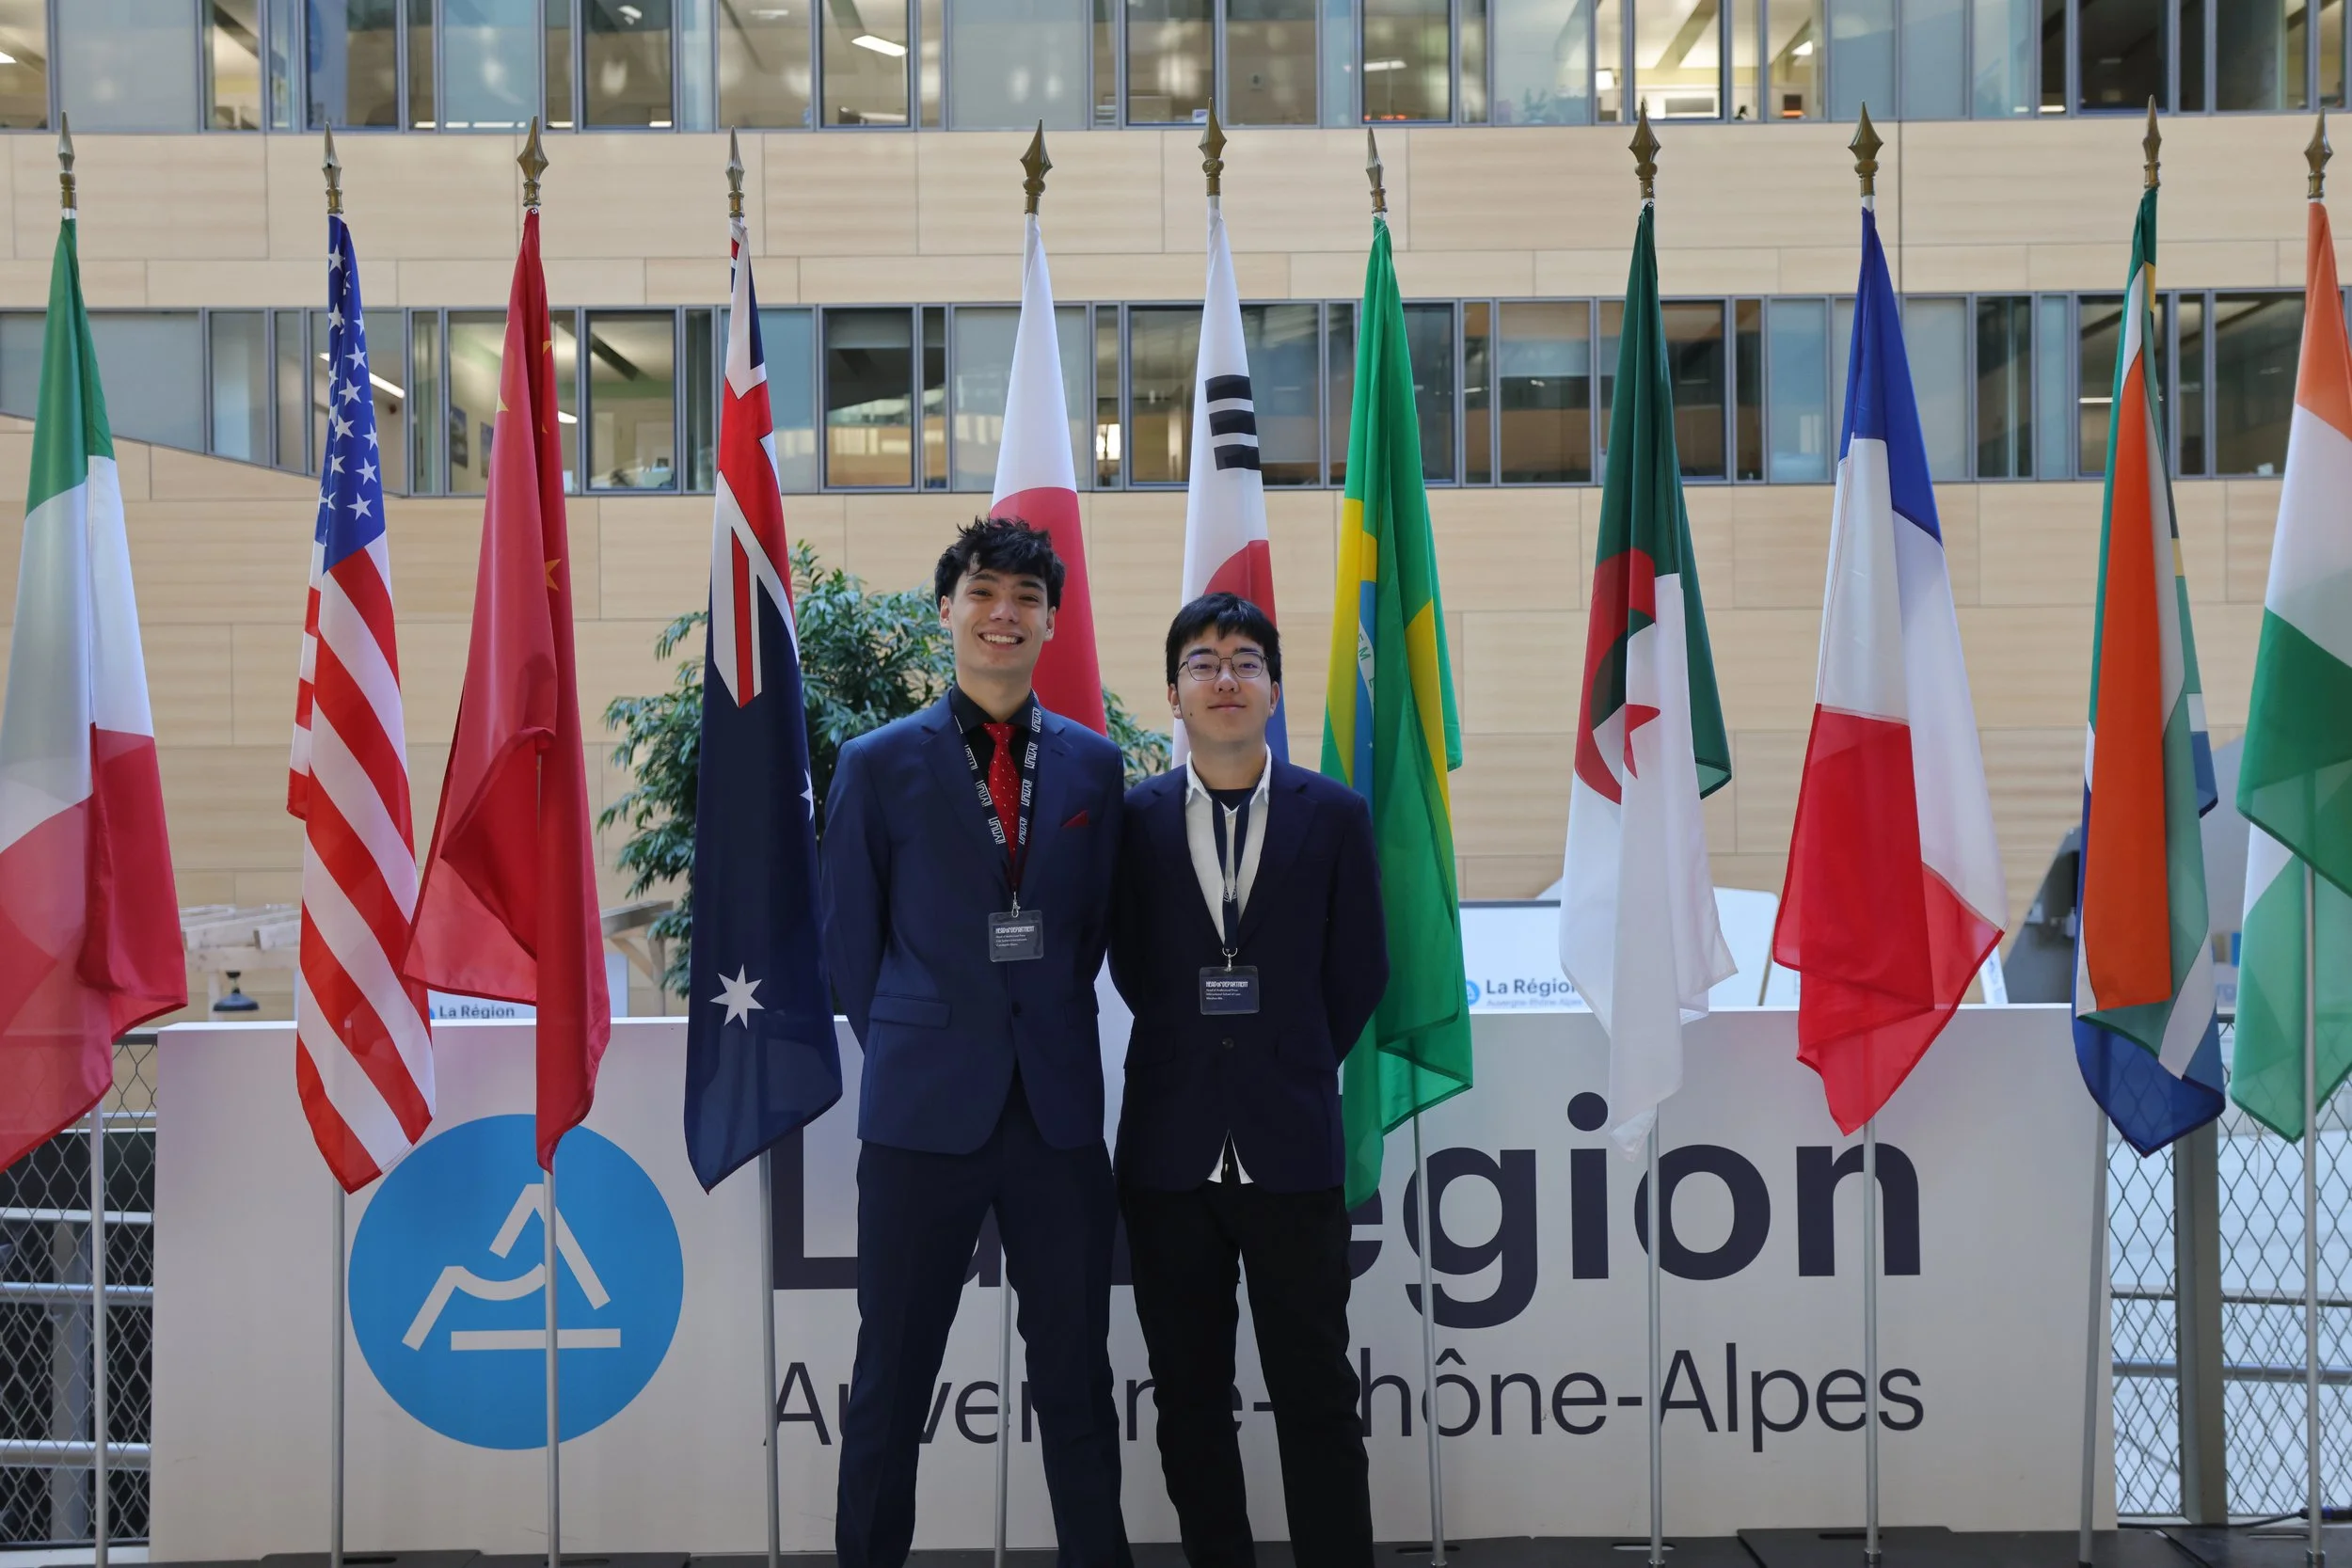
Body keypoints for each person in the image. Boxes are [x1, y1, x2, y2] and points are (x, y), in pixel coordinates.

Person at [821, 517, 1131, 1568]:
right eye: (985, 593)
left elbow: (1093, 927)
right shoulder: (875, 764)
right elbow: (850, 947)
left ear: (1052, 621)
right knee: (891, 1379)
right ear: (947, 608)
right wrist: (924, 1040)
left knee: (1077, 1381)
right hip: (921, 1116)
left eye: (1026, 598)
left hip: (1056, 1116)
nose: (1005, 614)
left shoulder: (1094, 766)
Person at [1108, 592, 1389, 1568]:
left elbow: (1359, 970)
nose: (1224, 677)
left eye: (1244, 661)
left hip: (1291, 1145)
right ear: (1173, 693)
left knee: (1317, 1394)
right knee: (1189, 1399)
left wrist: (1283, 1054)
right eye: (1202, 662)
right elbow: (1133, 967)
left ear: (1274, 689)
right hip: (1169, 1152)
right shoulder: (1132, 820)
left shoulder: (1335, 815)